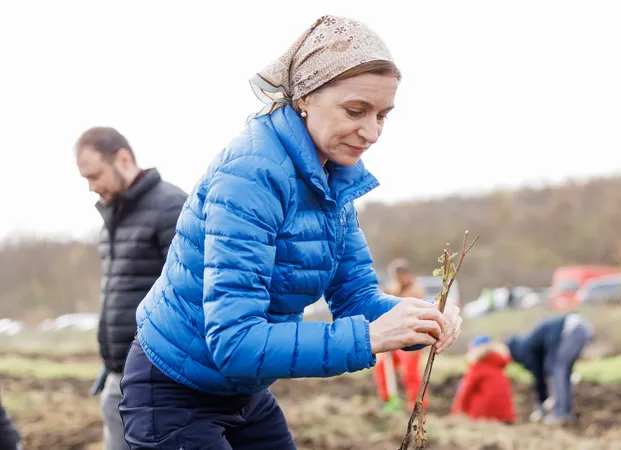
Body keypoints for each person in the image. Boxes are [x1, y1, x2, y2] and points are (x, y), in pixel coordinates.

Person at [117, 15, 462, 450]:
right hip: (172, 388)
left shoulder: (334, 177)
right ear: (305, 96)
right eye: (356, 111)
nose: (372, 132)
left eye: (382, 115)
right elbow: (235, 342)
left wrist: (418, 319)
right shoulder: (251, 174)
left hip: (243, 389)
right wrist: (371, 337)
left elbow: (356, 299)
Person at [74, 126, 187, 450]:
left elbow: (188, 293)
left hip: (157, 377)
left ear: (123, 159)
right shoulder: (112, 215)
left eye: (95, 176)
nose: (92, 187)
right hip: (117, 372)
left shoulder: (172, 207)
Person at [506, 313, 594, 425]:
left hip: (574, 329)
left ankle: (560, 413)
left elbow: (539, 377)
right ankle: (565, 411)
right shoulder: (532, 343)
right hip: (579, 327)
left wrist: (541, 404)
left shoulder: (525, 350)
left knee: (557, 369)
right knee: (562, 370)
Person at [374, 258, 427, 411]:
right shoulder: (394, 287)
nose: (397, 279)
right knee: (382, 367)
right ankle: (388, 400)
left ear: (406, 274)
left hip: (413, 339)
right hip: (395, 337)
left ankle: (417, 406)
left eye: (399, 276)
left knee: (410, 373)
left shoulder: (415, 290)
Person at [450, 335, 516, 424]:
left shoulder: (477, 368)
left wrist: (456, 413)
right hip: (505, 416)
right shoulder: (499, 367)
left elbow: (464, 393)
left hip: (482, 416)